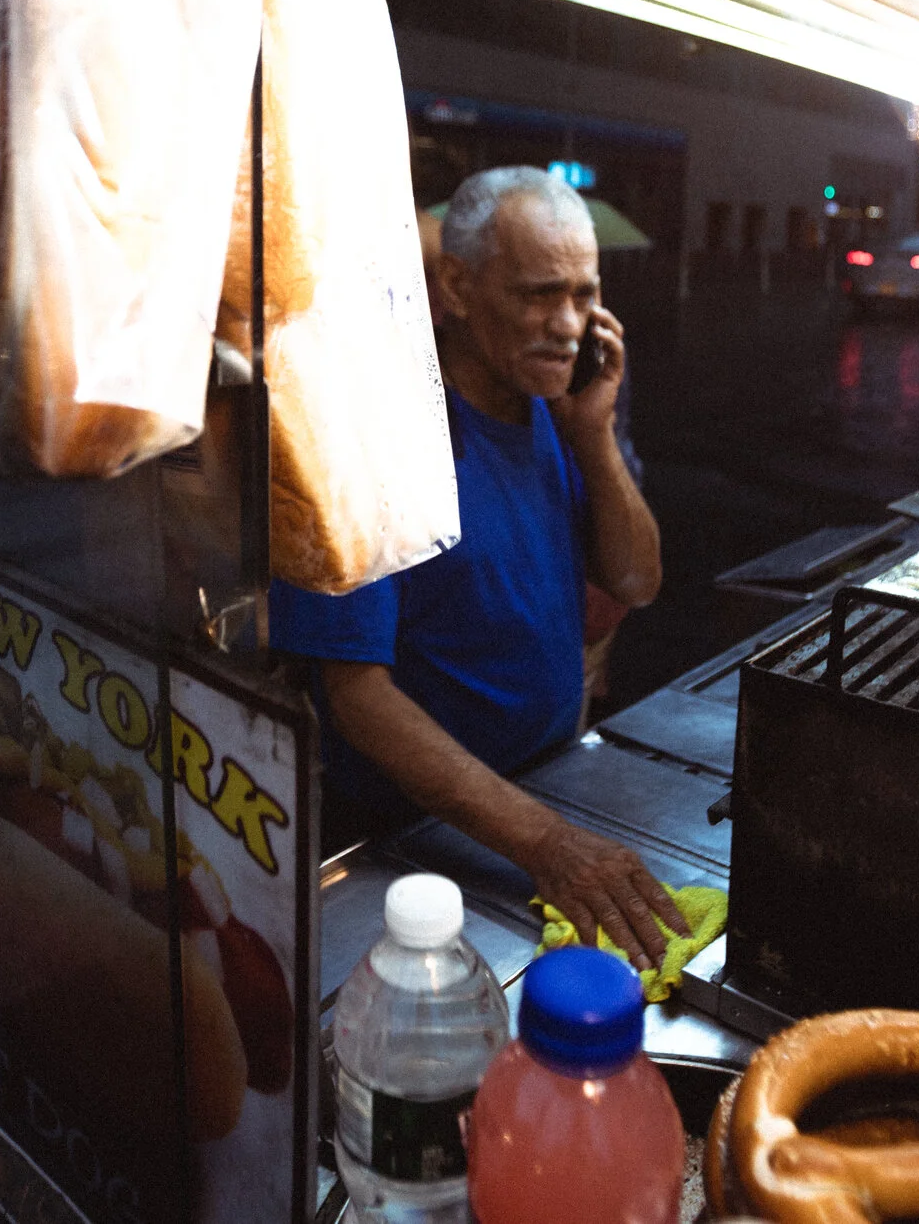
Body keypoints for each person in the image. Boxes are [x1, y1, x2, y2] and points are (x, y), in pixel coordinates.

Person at [272, 167, 685, 968]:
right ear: (456, 286)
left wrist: (593, 436)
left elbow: (638, 581)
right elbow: (356, 697)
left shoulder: (547, 416)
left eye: (583, 294)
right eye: (537, 294)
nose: (568, 324)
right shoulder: (374, 433)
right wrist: (547, 843)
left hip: (544, 791)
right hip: (409, 846)